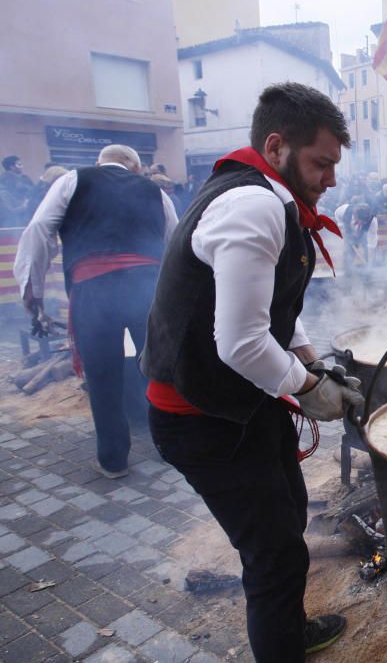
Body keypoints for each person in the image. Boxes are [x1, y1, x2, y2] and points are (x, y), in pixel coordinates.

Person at [140, 83, 358, 661]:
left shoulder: (273, 197)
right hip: (202, 416)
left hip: (246, 403)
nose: (331, 179)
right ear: (276, 144)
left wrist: (314, 364)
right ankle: (282, 648)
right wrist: (311, 390)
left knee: (288, 512)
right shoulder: (253, 204)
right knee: (275, 553)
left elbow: (275, 314)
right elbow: (240, 343)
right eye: (322, 163)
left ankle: (287, 627)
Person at [13, 145, 178, 478]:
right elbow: (175, 241)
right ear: (135, 167)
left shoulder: (73, 180)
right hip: (147, 289)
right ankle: (170, 448)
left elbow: (40, 230)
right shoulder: (154, 191)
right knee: (158, 367)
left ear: (100, 163)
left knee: (102, 374)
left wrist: (34, 292)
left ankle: (113, 460)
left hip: (94, 290)